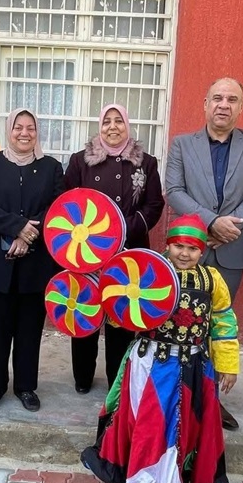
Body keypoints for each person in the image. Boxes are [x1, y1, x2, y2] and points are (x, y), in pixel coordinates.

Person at [81, 214, 238, 483]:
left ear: (203, 250)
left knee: (184, 429)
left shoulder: (212, 280)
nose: (184, 254)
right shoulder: (149, 271)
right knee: (145, 424)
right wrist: (112, 299)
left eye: (192, 248)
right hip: (151, 364)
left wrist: (229, 364)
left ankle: (175, 481)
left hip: (194, 367)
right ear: (168, 245)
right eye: (178, 246)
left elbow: (224, 322)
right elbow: (123, 314)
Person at [165, 77, 243, 430]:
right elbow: (174, 190)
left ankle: (210, 400)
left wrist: (232, 225)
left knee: (217, 324)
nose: (224, 105)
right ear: (205, 104)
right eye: (218, 98)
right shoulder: (182, 144)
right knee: (181, 321)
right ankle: (177, 392)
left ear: (242, 107)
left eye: (232, 99)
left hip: (233, 247)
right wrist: (210, 223)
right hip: (188, 248)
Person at [0, 108, 65, 414]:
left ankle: (26, 387)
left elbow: (57, 207)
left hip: (36, 264)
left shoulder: (51, 168)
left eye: (31, 128)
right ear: (8, 130)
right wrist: (16, 227)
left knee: (29, 330)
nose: (24, 133)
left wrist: (27, 236)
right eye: (18, 127)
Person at [66, 103, 164, 394]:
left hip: (129, 249)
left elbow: (154, 204)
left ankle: (116, 380)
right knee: (86, 309)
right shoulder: (80, 161)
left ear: (127, 125)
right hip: (87, 251)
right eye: (107, 121)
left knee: (121, 314)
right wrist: (95, 236)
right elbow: (68, 202)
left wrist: (124, 229)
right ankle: (82, 376)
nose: (112, 127)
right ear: (99, 126)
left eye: (118, 121)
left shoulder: (146, 163)